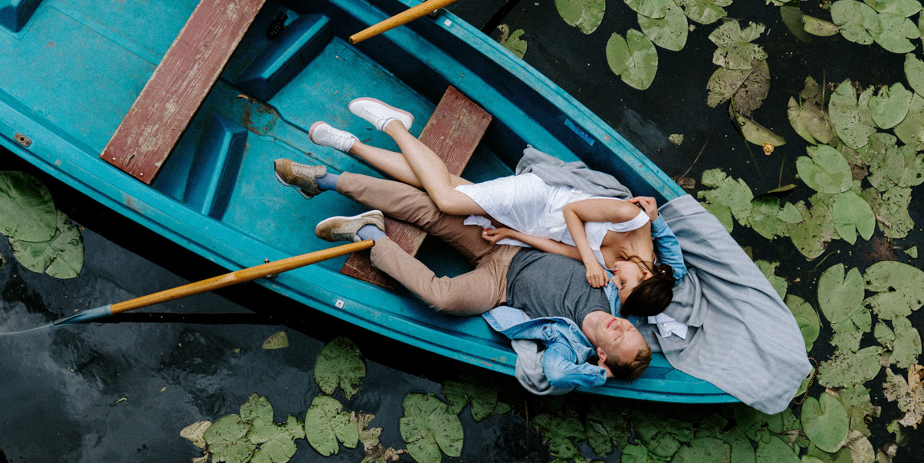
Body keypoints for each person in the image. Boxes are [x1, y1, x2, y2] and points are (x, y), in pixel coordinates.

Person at [274, 97, 685, 318]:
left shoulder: (623, 266)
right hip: (540, 199)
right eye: (627, 282)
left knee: (436, 183)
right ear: (647, 271)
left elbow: (563, 250)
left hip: (528, 227)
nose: (617, 281)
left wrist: (513, 235)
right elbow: (573, 216)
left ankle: (352, 147)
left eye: (621, 289)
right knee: (446, 199)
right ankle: (394, 125)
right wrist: (593, 265)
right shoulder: (635, 219)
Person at [275, 167, 652, 388]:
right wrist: (651, 217)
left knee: (444, 299)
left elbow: (553, 373)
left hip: (499, 286)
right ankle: (327, 180)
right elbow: (663, 266)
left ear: (602, 354)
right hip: (515, 242)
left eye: (618, 337)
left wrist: (598, 375)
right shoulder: (615, 293)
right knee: (427, 210)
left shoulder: (570, 349)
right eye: (630, 329)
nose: (621, 326)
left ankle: (368, 233)